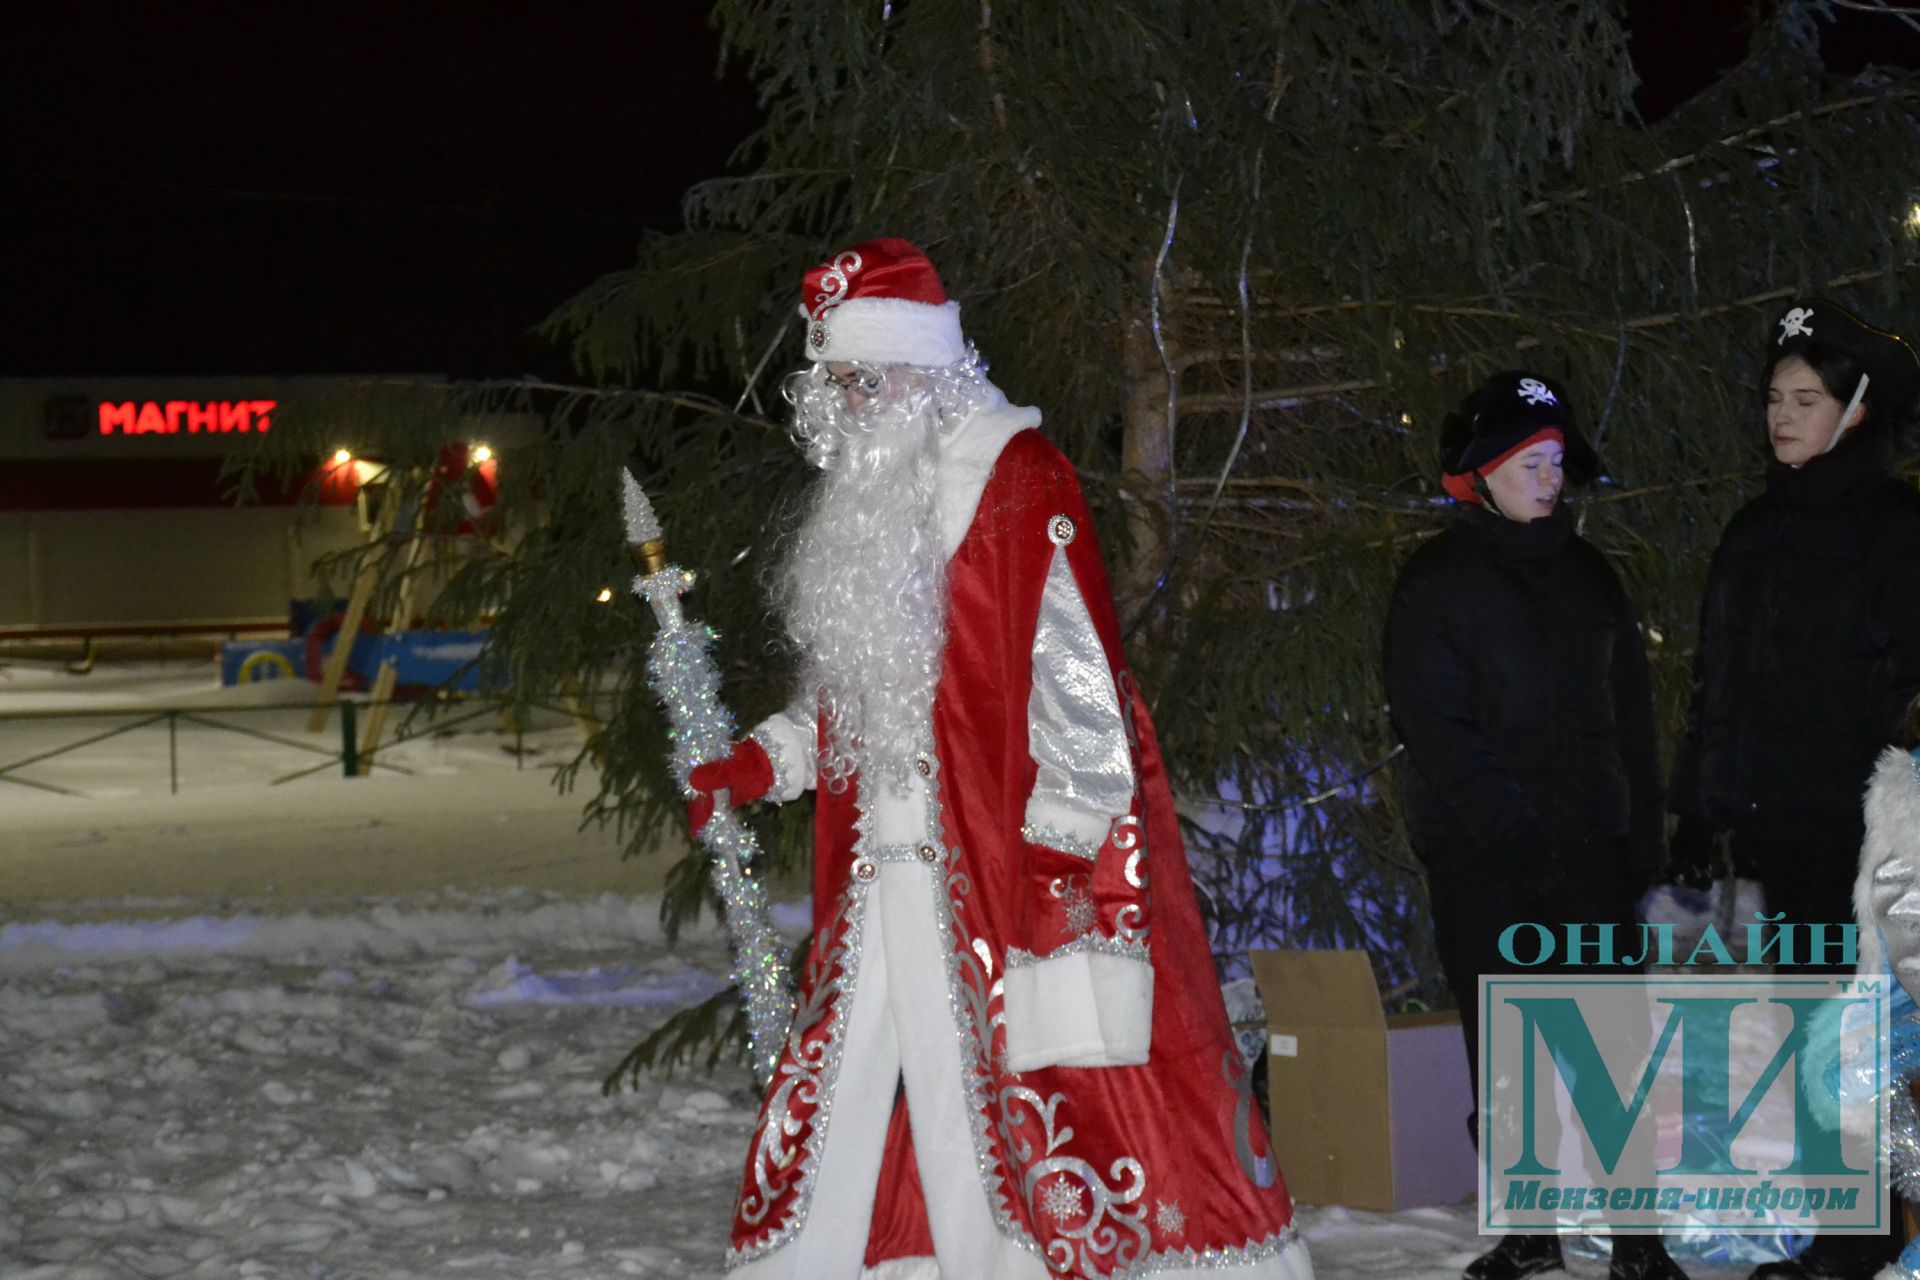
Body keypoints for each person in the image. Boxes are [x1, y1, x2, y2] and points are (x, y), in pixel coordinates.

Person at [685, 238, 1311, 1280]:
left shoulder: (1016, 477)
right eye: (838, 378)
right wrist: (767, 758)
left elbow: (1079, 685)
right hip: (878, 874)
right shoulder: (866, 506)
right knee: (857, 1093)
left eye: (870, 372)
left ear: (928, 366)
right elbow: (858, 688)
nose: (856, 397)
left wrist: (1065, 864)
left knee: (1019, 1100)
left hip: (991, 869)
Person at [1383, 371, 1684, 1280]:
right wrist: (1513, 839)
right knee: (1506, 1049)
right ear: (1482, 472)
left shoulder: (1592, 577)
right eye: (1529, 461)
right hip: (1487, 861)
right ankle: (1529, 1229)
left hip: (1592, 853)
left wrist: (1640, 846)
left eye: (1557, 461)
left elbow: (1627, 716)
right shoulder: (1435, 584)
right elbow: (1437, 730)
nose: (1549, 479)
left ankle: (1638, 1239)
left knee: (1613, 1051)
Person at [1665, 300, 1920, 1280]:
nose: (1782, 414)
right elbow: (1717, 685)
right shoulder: (1753, 530)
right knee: (1815, 1034)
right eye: (1774, 397)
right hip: (1783, 832)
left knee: (1884, 1039)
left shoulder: (1898, 529)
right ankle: (1843, 1237)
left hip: (1876, 839)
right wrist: (1700, 804)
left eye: (1805, 397)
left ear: (1855, 409)